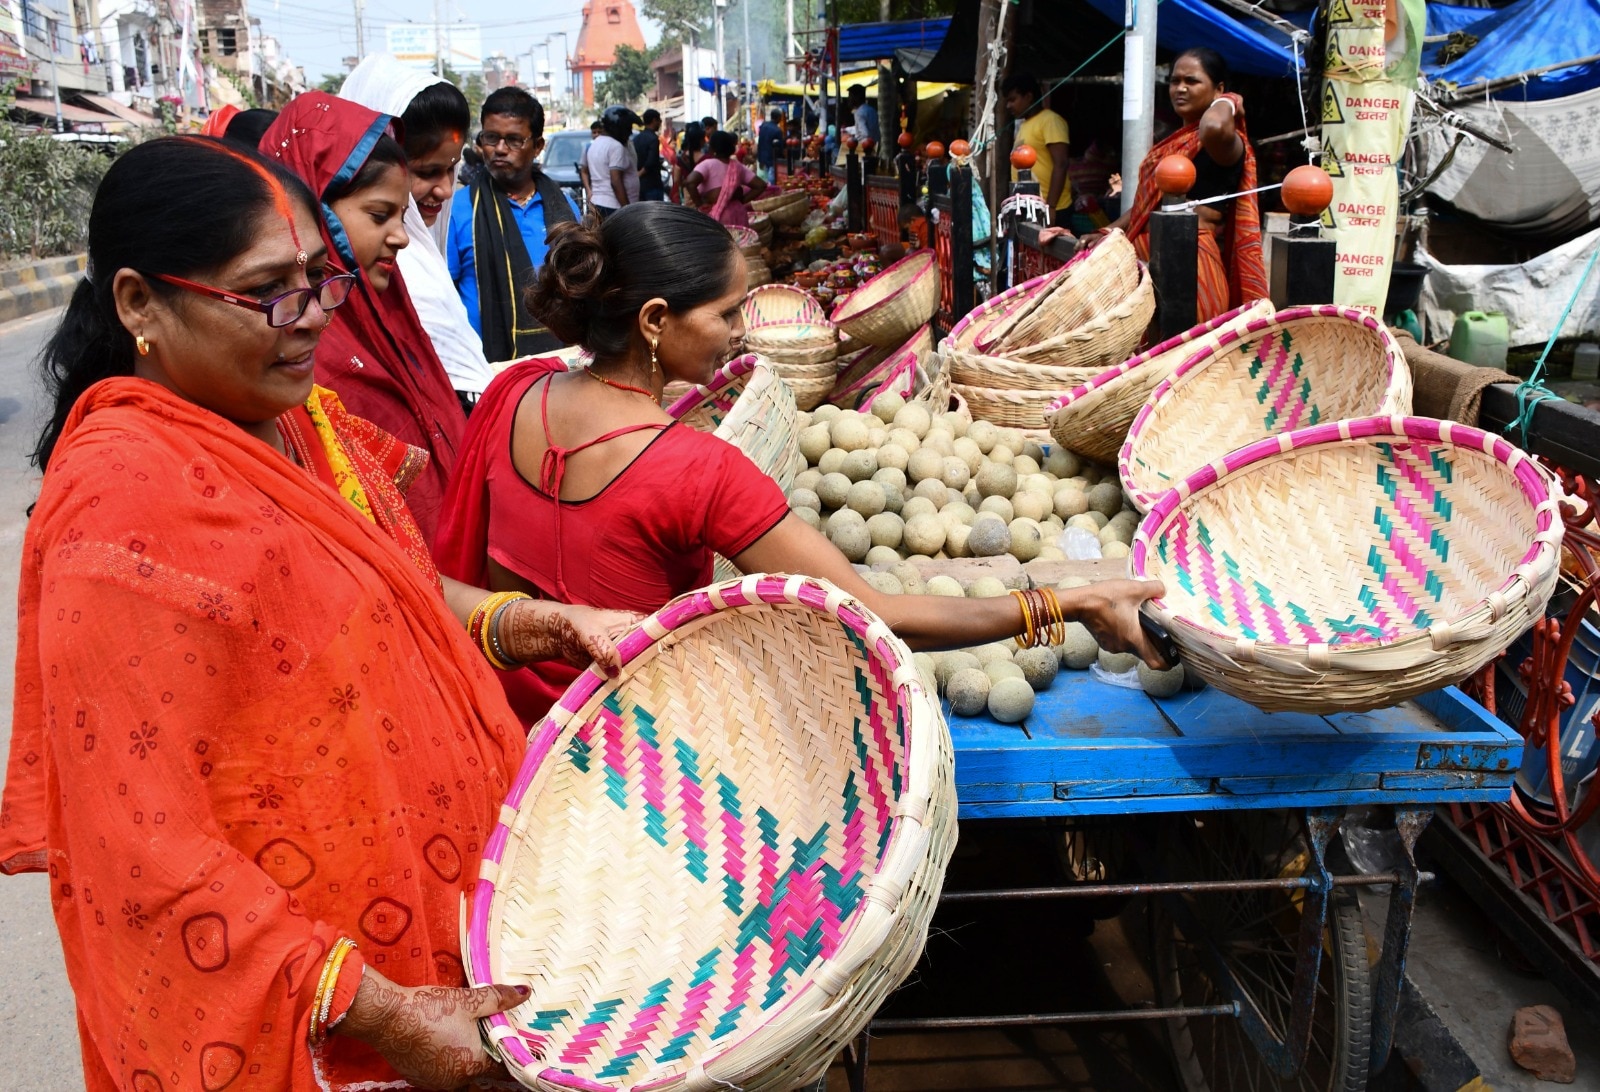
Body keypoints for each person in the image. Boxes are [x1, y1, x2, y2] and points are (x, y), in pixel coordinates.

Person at [2, 134, 637, 1092]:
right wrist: (381, 1009)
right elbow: (146, 844)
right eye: (268, 293)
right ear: (140, 302)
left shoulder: (297, 422)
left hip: (446, 930)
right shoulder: (122, 508)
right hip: (328, 1005)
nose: (309, 321)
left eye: (317, 281)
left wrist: (542, 623)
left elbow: (397, 591)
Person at [434, 202, 1168, 727]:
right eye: (725, 314)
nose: (738, 334)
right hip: (630, 745)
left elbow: (468, 574)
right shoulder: (696, 470)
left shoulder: (511, 393)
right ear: (655, 320)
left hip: (511, 727)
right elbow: (881, 613)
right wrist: (1069, 602)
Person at [261, 93, 465, 544]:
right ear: (315, 212)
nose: (402, 237)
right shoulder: (293, 355)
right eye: (379, 216)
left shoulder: (387, 314)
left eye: (402, 217)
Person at [1062, 47, 1268, 323]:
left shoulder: (1224, 143)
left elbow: (1215, 127)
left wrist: (1229, 101)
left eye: (1191, 81)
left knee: (1188, 355)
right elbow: (1147, 208)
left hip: (1193, 264)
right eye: (1174, 81)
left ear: (1218, 88)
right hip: (1150, 263)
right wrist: (1109, 232)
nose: (1180, 89)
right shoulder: (1175, 141)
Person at [341, 53, 494, 412]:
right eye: (426, 172)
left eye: (451, 170)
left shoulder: (423, 259)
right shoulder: (390, 266)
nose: (443, 190)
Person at [446, 87, 578, 360]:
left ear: (538, 146)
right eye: (491, 138)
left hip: (564, 362)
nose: (500, 150)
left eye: (514, 140)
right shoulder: (458, 210)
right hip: (487, 367)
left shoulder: (566, 208)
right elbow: (442, 297)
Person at [1002, 72, 1072, 230]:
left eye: (1013, 100)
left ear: (1028, 96)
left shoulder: (1050, 120)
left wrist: (1051, 207)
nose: (1008, 106)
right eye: (1007, 101)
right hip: (1030, 206)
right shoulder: (1024, 124)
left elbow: (1061, 164)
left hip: (1052, 207)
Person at [684, 128, 767, 227]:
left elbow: (689, 182)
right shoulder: (738, 166)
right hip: (739, 213)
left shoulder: (707, 164)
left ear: (712, 148)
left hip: (717, 217)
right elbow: (761, 185)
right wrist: (741, 200)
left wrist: (700, 205)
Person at [586, 105, 641, 220]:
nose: (630, 132)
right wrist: (628, 210)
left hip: (598, 203)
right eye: (628, 128)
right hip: (614, 206)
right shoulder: (615, 146)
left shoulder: (596, 143)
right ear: (618, 127)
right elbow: (615, 181)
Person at [633, 107, 667, 201]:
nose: (660, 123)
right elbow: (651, 161)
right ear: (654, 120)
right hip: (653, 184)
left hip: (640, 185)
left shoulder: (636, 139)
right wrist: (640, 173)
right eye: (659, 120)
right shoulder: (653, 139)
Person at [675, 120, 706, 203]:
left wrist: (684, 185)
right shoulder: (707, 158)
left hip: (688, 196)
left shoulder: (681, 158)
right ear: (701, 140)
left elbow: (676, 179)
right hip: (704, 196)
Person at [756, 107, 784, 183]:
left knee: (765, 178)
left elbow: (760, 142)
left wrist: (759, 157)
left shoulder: (763, 126)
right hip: (772, 158)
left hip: (762, 157)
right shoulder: (777, 131)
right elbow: (780, 147)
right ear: (778, 118)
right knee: (771, 179)